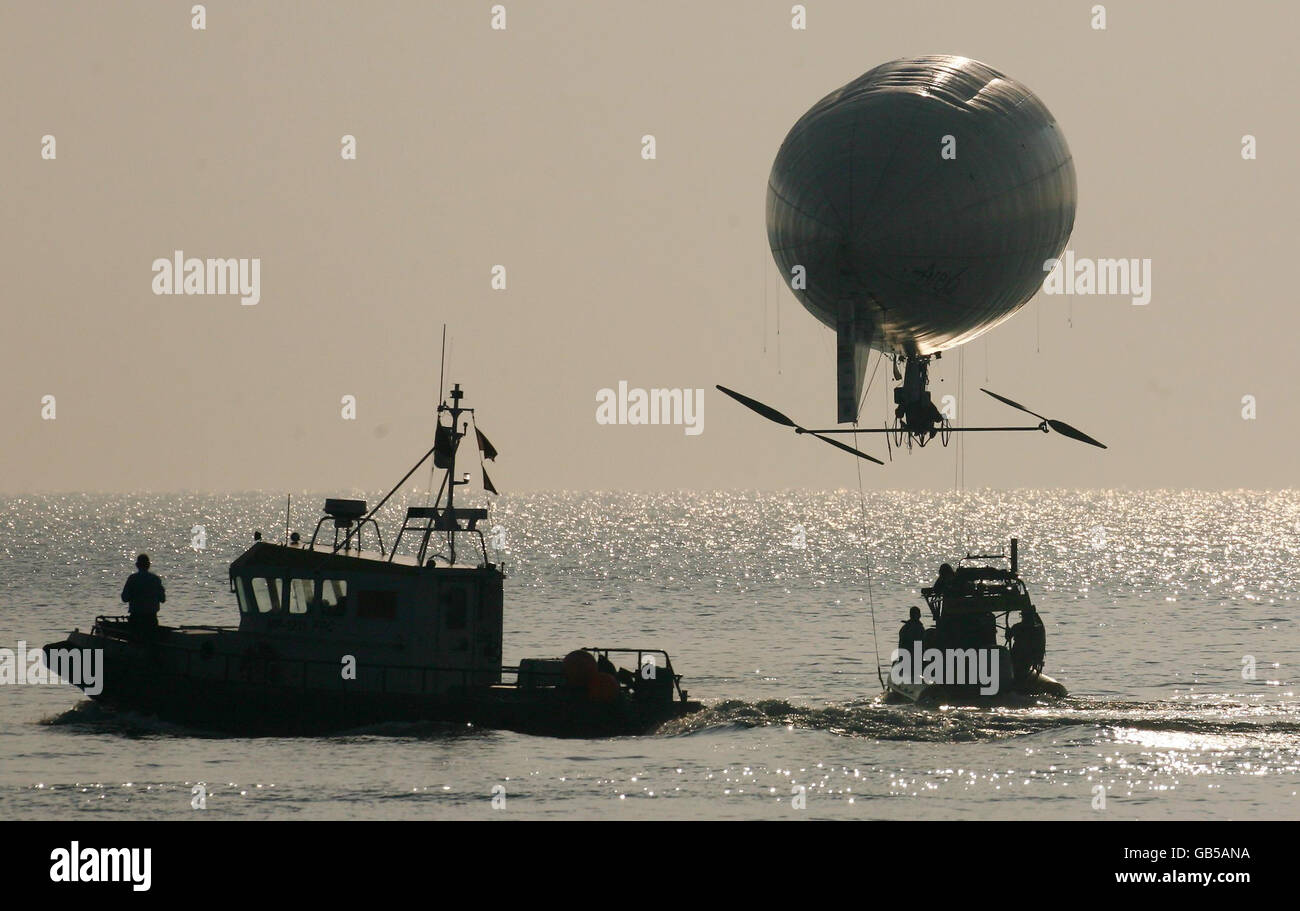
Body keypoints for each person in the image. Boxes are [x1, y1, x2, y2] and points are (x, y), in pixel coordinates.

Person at [121, 554, 165, 637]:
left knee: (134, 642)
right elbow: (162, 599)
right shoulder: (155, 579)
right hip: (151, 618)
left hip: (136, 617)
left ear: (137, 565)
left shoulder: (132, 579)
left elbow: (124, 598)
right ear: (149, 565)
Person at [1008, 604, 1046, 682]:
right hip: (1026, 657)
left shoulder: (1017, 627)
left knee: (1018, 672)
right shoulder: (1038, 629)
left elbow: (1008, 636)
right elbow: (1041, 645)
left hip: (1020, 656)